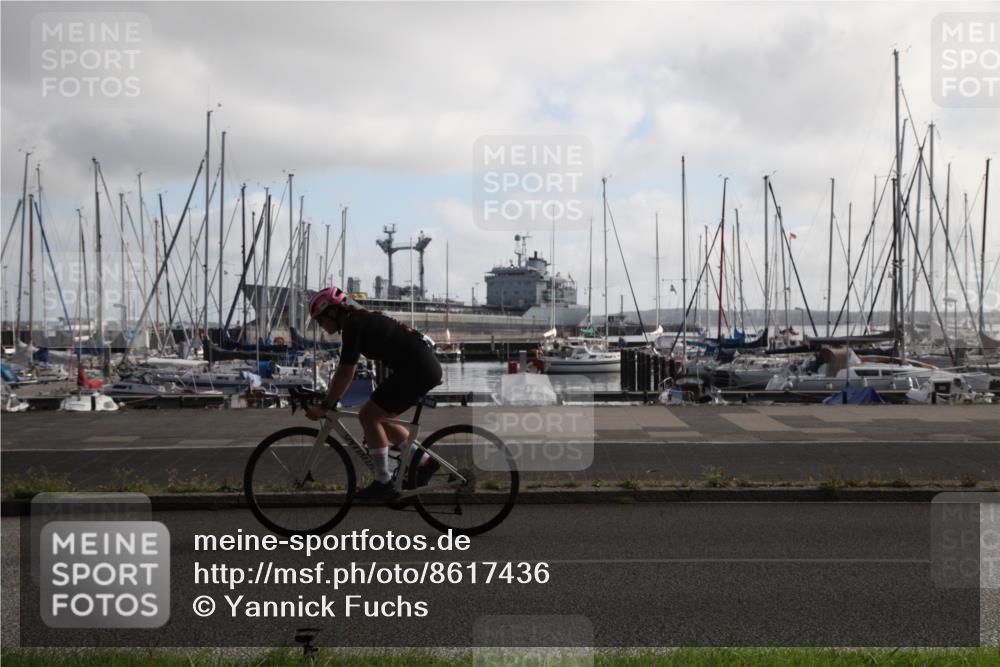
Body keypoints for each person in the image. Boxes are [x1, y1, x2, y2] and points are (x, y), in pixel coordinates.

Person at [305, 286, 442, 501]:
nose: (320, 325)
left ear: (332, 312)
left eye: (320, 320)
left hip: (417, 369)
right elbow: (345, 372)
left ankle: (383, 481)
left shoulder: (353, 325)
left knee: (368, 416)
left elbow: (345, 372)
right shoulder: (358, 320)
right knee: (380, 419)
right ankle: (424, 463)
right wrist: (329, 400)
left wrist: (325, 405)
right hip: (420, 367)